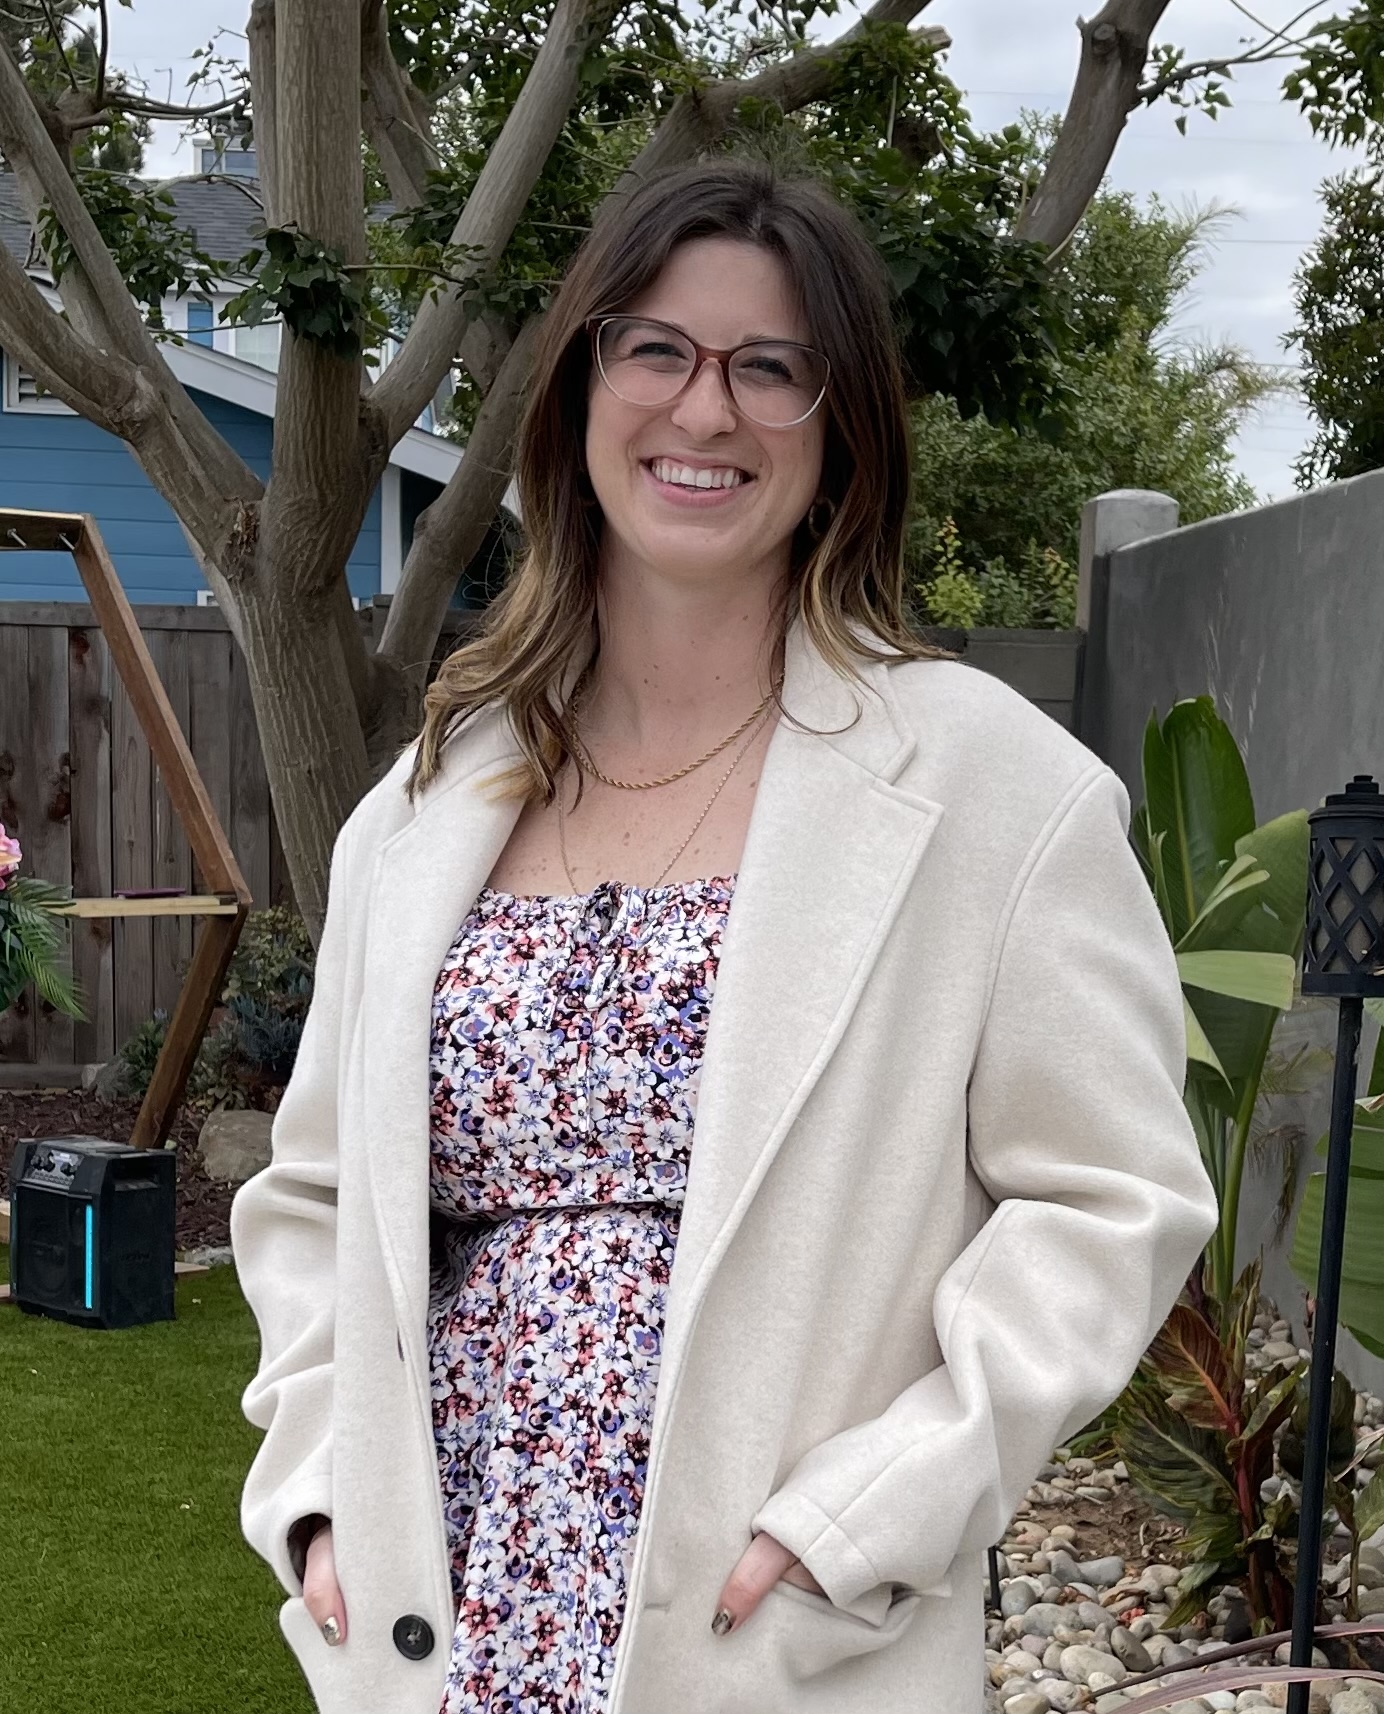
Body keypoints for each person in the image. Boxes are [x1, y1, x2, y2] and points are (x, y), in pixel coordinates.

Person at [230, 155, 1219, 1714]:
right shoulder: (422, 812)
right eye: (657, 349)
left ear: (840, 433)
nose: (706, 411)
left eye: (773, 367)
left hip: (771, 1630)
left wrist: (866, 1517)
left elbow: (1115, 1202)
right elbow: (314, 1193)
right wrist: (310, 1482)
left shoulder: (992, 791)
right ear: (579, 388)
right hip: (447, 1605)